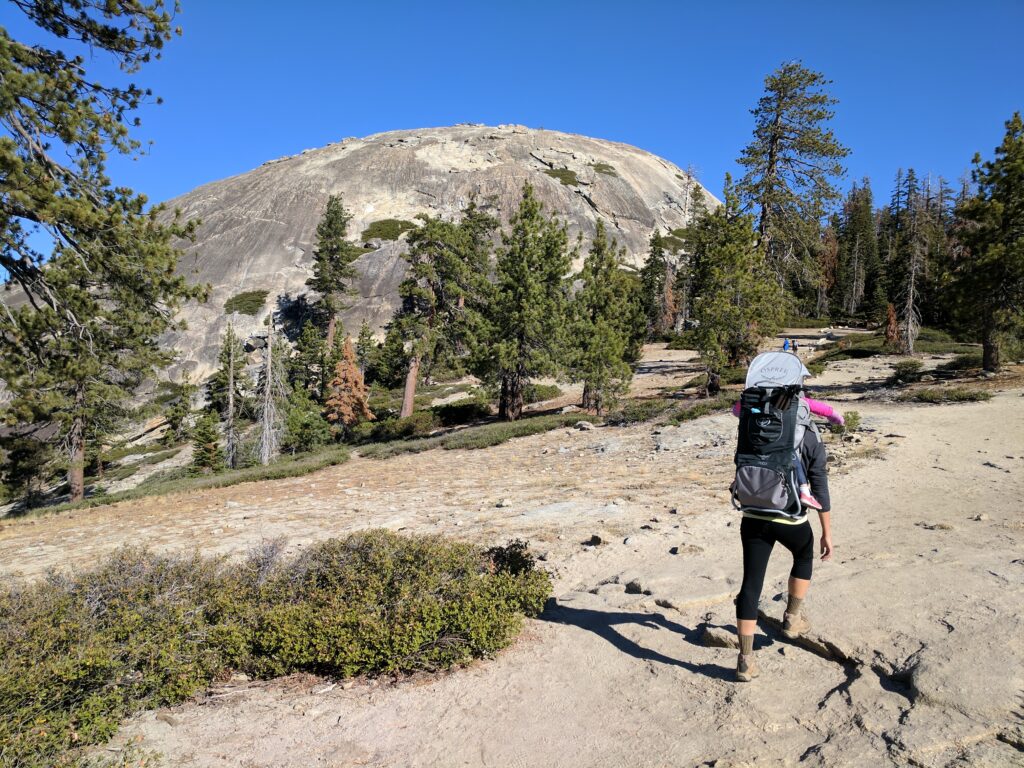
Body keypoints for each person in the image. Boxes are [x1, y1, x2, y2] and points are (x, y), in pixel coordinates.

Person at [734, 407, 834, 683]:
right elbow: (819, 483)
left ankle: (745, 660)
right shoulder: (807, 432)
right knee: (804, 553)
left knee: (751, 583)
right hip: (788, 515)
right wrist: (827, 531)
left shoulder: (753, 424)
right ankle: (792, 618)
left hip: (753, 513)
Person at [731, 393, 844, 510]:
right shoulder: (795, 400)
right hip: (782, 440)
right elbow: (825, 410)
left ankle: (737, 481)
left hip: (759, 439)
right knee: (790, 451)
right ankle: (804, 490)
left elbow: (736, 411)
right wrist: (838, 419)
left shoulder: (755, 399)